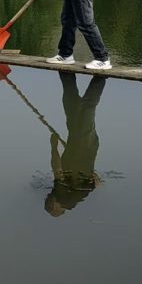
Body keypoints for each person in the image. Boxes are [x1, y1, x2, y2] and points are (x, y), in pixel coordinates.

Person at [45, 72, 106, 217]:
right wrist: (54, 146)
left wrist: (88, 171)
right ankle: (101, 76)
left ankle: (66, 70)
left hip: (81, 144)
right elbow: (57, 169)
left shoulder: (76, 196)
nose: (48, 197)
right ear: (55, 206)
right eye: (49, 202)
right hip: (83, 144)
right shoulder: (63, 196)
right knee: (85, 108)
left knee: (71, 102)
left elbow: (98, 183)